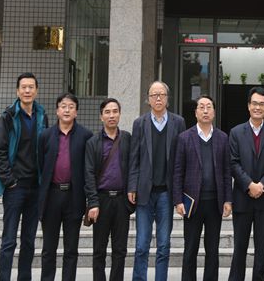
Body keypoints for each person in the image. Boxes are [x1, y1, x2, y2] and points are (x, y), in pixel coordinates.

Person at [0, 72, 48, 281]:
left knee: (29, 241)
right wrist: (9, 181)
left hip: (35, 187)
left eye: (31, 87)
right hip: (15, 187)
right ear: (17, 91)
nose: (27, 90)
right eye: (24, 87)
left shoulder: (42, 115)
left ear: (36, 91)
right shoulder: (8, 116)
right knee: (9, 240)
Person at [128, 81, 186, 281]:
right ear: (148, 99)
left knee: (163, 245)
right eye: (154, 95)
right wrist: (132, 186)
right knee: (141, 245)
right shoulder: (139, 123)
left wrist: (180, 192)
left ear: (167, 99)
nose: (158, 98)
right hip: (145, 192)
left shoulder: (178, 123)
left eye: (162, 94)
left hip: (166, 194)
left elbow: (181, 159)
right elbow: (134, 158)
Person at [172, 95, 233, 281]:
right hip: (192, 203)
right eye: (201, 107)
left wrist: (228, 200)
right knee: (190, 249)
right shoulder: (184, 138)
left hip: (215, 202)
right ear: (196, 112)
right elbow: (177, 171)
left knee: (212, 250)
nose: (205, 111)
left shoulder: (223, 138)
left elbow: (227, 172)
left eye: (209, 107)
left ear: (214, 112)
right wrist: (178, 200)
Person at [228, 86, 264, 281]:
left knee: (262, 246)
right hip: (242, 197)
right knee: (240, 246)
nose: (257, 107)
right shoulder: (236, 132)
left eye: (261, 104)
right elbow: (233, 162)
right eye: (254, 103)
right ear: (248, 106)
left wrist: (262, 185)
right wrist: (249, 184)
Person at [38, 93, 93, 281]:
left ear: (76, 112)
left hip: (74, 196)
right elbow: (40, 165)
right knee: (48, 248)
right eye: (63, 106)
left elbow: (88, 168)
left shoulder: (86, 136)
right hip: (51, 196)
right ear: (57, 111)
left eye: (71, 107)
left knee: (71, 249)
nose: (67, 110)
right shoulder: (45, 136)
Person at [84, 98, 134, 281]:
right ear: (101, 116)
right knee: (99, 249)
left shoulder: (127, 139)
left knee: (120, 250)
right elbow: (88, 174)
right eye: (107, 112)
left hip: (121, 200)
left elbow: (134, 167)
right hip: (101, 200)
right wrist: (93, 202)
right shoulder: (92, 142)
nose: (111, 115)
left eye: (115, 111)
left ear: (120, 114)